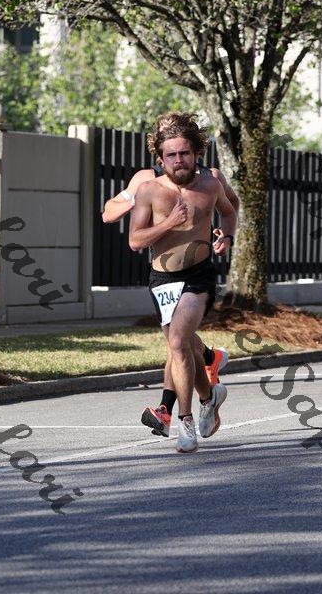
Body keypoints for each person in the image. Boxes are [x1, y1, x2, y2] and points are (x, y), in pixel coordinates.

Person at [102, 113, 239, 439]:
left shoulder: (211, 178)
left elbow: (230, 205)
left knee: (177, 341)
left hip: (198, 274)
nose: (177, 158)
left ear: (194, 148)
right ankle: (210, 374)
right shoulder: (146, 180)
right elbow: (109, 213)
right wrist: (135, 201)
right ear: (159, 151)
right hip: (163, 276)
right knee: (182, 345)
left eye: (183, 150)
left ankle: (171, 411)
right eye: (168, 149)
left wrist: (227, 236)